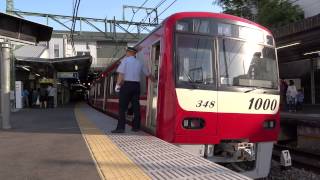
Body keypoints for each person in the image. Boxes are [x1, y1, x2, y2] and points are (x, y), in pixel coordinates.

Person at [111, 47, 155, 133]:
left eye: (127, 52)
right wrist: (155, 81)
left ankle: (120, 128)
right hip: (136, 86)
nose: (126, 53)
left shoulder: (125, 61)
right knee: (136, 107)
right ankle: (136, 127)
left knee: (122, 107)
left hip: (127, 85)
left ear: (130, 53)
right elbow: (148, 74)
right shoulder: (139, 63)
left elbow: (121, 74)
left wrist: (117, 85)